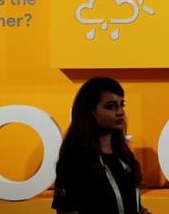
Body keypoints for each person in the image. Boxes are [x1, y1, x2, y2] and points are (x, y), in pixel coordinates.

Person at [52, 77, 149, 214]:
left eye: (122, 105)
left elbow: (132, 205)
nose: (120, 112)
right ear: (91, 111)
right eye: (110, 106)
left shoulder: (125, 156)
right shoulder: (73, 161)